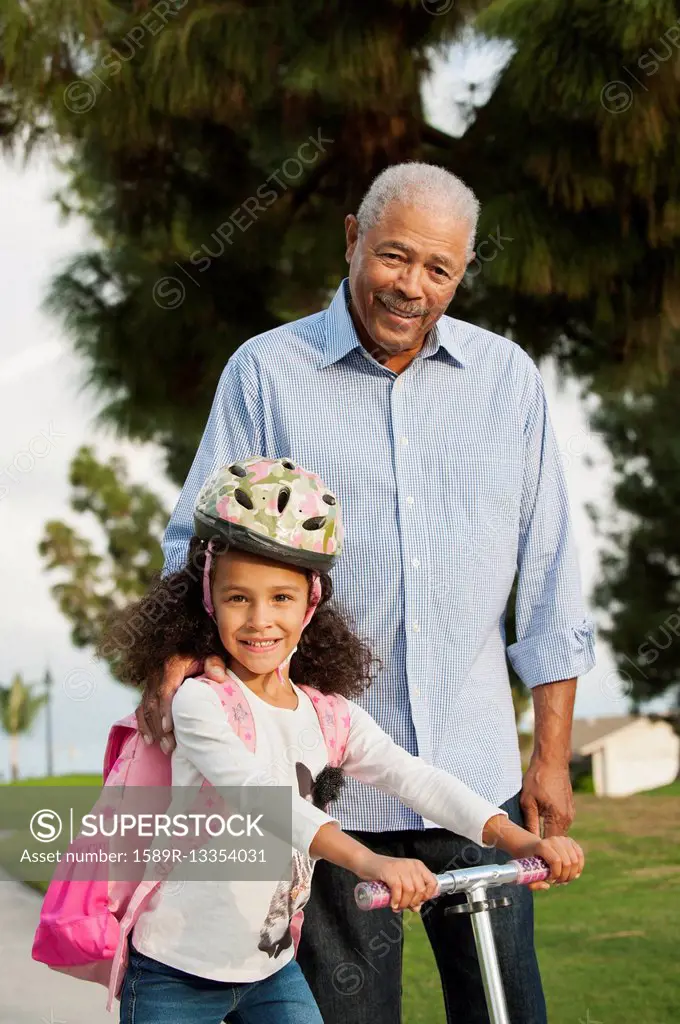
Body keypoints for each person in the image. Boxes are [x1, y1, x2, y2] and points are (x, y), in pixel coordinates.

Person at [141, 162, 596, 1023]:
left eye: (440, 270)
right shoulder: (266, 372)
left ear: (463, 272)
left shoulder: (507, 383)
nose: (413, 287)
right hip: (326, 787)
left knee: (509, 1011)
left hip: (475, 777)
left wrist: (548, 755)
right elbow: (195, 550)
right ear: (352, 237)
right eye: (394, 257)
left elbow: (550, 575)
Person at [108, 457, 584, 1024]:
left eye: (281, 598)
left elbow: (414, 778)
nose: (260, 620)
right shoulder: (202, 702)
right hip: (175, 970)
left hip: (270, 970)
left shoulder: (329, 716)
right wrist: (369, 861)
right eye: (239, 598)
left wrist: (517, 840)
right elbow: (262, 799)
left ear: (310, 604)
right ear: (210, 599)